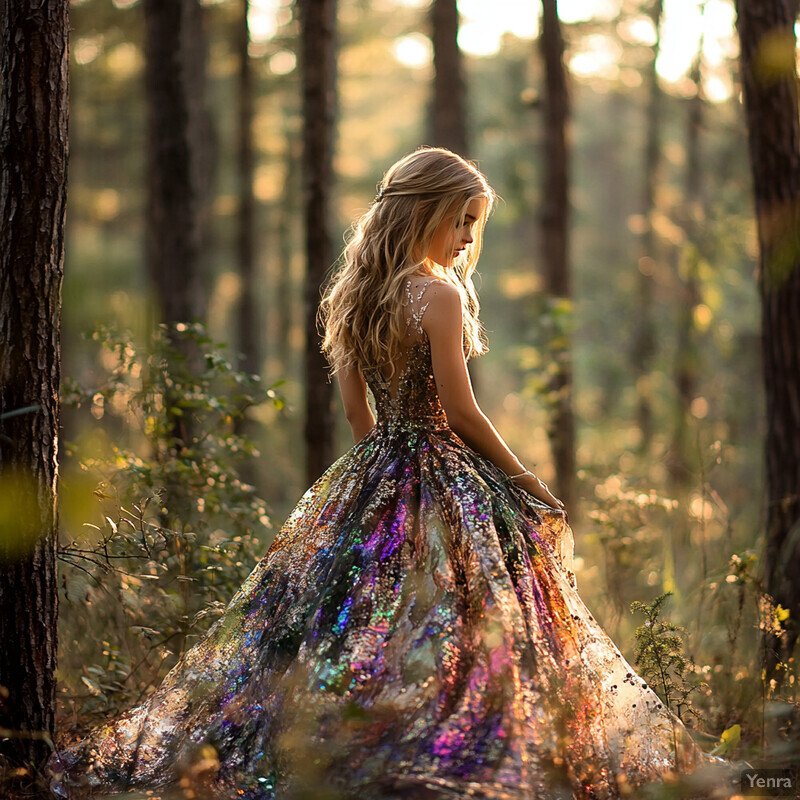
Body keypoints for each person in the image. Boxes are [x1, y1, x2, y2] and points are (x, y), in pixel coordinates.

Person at [49, 147, 720, 799]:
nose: (465, 236)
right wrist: (524, 482)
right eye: (459, 219)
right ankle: (461, 742)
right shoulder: (439, 296)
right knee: (472, 615)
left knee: (358, 620)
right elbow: (461, 412)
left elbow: (353, 411)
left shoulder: (354, 293)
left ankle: (355, 738)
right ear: (421, 212)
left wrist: (380, 494)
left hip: (371, 468)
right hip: (438, 467)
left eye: (473, 224)